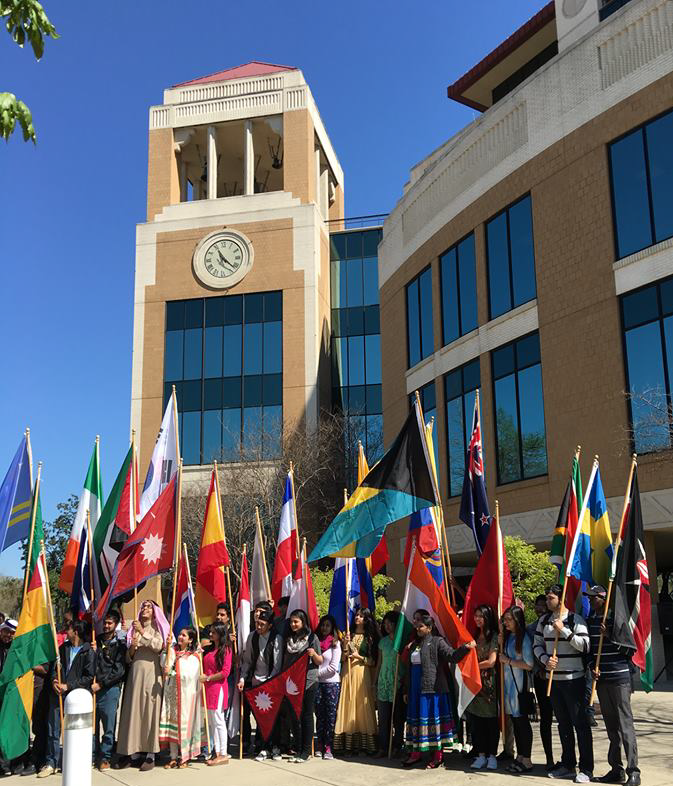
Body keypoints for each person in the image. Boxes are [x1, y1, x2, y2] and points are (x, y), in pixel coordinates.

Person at [534, 584, 593, 784]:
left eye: (551, 598)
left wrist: (565, 631)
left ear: (561, 598)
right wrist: (544, 660)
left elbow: (585, 646)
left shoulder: (575, 620)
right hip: (554, 681)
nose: (547, 600)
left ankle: (586, 768)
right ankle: (568, 764)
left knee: (580, 725)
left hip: (574, 680)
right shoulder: (543, 621)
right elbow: (537, 646)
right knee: (563, 724)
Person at [402, 611, 474, 769]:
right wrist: (407, 690)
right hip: (415, 690)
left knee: (434, 721)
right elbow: (408, 668)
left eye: (421, 626)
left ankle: (438, 756)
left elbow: (452, 656)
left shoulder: (437, 641)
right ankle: (416, 754)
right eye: (417, 626)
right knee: (416, 721)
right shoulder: (414, 644)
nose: (417, 628)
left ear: (429, 627)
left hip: (432, 689)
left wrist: (466, 648)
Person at [586, 584, 640, 786]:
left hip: (620, 679)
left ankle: (633, 770)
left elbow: (629, 650)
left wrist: (610, 636)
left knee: (625, 726)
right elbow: (590, 652)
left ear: (603, 598)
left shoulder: (616, 619)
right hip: (602, 680)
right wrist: (592, 667)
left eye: (594, 597)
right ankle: (616, 769)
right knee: (611, 728)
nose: (590, 601)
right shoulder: (591, 621)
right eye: (589, 598)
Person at [115, 600, 168, 772]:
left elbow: (159, 646)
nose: (145, 609)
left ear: (155, 611)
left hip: (152, 674)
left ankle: (151, 753)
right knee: (134, 712)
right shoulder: (133, 629)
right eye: (143, 606)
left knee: (150, 712)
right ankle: (133, 752)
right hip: (135, 675)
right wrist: (132, 648)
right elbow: (129, 656)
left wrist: (143, 632)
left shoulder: (157, 628)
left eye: (148, 607)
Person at [39, 619, 95, 779]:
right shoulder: (62, 649)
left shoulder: (88, 652)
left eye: (68, 629)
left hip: (76, 699)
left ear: (75, 632)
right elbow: (54, 670)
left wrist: (68, 686)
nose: (66, 632)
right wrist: (54, 682)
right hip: (57, 696)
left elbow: (88, 677)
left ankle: (70, 761)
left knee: (73, 732)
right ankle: (51, 763)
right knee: (53, 730)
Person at [333, 607, 379, 755]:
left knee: (362, 705)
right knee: (348, 702)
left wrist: (360, 657)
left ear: (366, 619)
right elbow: (343, 658)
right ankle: (348, 744)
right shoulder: (349, 635)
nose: (357, 618)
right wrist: (345, 645)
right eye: (356, 615)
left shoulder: (370, 637)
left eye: (360, 616)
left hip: (362, 672)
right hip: (348, 672)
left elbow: (373, 661)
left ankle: (367, 745)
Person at [238, 608, 282, 761]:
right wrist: (243, 678)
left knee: (272, 718)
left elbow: (277, 665)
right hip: (255, 682)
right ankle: (263, 747)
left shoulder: (276, 638)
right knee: (259, 717)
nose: (259, 627)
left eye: (262, 624)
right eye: (257, 623)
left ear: (270, 625)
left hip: (271, 683)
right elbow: (247, 661)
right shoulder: (252, 637)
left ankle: (274, 747)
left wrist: (270, 682)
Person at [281, 609, 323, 762]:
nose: (293, 624)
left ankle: (306, 751)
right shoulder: (288, 639)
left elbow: (320, 661)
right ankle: (297, 749)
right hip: (292, 684)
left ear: (303, 622)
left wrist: (314, 654)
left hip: (309, 682)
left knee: (306, 715)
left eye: (296, 621)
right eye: (291, 621)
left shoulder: (312, 638)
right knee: (294, 717)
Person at [159, 626, 203, 767]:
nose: (180, 637)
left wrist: (172, 672)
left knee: (184, 725)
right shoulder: (173, 651)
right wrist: (166, 650)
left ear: (190, 640)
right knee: (172, 723)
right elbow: (164, 663)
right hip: (171, 693)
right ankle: (172, 756)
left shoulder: (193, 657)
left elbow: (190, 675)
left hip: (186, 696)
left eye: (184, 635)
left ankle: (184, 757)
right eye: (180, 634)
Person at [499, 605, 535, 774]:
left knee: (522, 724)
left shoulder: (524, 639)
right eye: (504, 619)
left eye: (508, 619)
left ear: (517, 620)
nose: (505, 622)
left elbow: (529, 664)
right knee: (515, 723)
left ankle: (526, 759)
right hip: (509, 688)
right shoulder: (509, 637)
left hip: (519, 688)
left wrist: (509, 661)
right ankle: (520, 756)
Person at [91, 609, 127, 771]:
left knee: (108, 726)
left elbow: (119, 671)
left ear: (116, 624)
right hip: (92, 689)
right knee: (92, 726)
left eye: (109, 623)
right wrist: (93, 651)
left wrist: (102, 683)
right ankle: (92, 754)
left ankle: (105, 756)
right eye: (104, 622)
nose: (106, 626)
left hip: (109, 689)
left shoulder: (120, 645)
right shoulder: (95, 641)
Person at [466, 604, 499, 770]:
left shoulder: (493, 636)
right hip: (474, 684)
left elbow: (492, 661)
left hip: (488, 684)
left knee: (491, 721)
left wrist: (473, 667)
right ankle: (480, 755)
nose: (477, 619)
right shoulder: (472, 636)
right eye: (476, 615)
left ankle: (492, 755)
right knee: (476, 721)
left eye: (481, 616)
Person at [528, 594, 556, 771]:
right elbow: (531, 652)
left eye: (544, 604)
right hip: (541, 679)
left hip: (559, 678)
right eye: (537, 605)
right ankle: (549, 758)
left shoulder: (558, 624)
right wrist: (539, 670)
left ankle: (569, 759)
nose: (540, 608)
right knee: (545, 720)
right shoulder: (531, 629)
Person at [376, 610, 406, 758]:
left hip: (397, 683)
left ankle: (397, 746)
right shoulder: (382, 642)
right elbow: (379, 663)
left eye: (390, 623)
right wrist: (375, 681)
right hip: (384, 683)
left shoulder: (402, 642)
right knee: (383, 718)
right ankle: (383, 747)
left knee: (398, 719)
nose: (387, 626)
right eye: (385, 623)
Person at [202, 623, 233, 766]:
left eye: (213, 632)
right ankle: (217, 752)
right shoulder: (208, 649)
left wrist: (208, 678)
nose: (210, 634)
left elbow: (225, 672)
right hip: (208, 688)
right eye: (210, 632)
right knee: (212, 721)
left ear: (220, 634)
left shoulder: (226, 649)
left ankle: (224, 753)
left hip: (218, 688)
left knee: (219, 720)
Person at [314, 614, 341, 760]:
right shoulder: (315, 642)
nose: (324, 628)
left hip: (331, 684)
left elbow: (332, 668)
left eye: (327, 625)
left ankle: (328, 746)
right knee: (319, 715)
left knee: (330, 716)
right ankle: (319, 744)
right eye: (323, 625)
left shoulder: (335, 644)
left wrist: (316, 675)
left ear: (332, 628)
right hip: (317, 685)